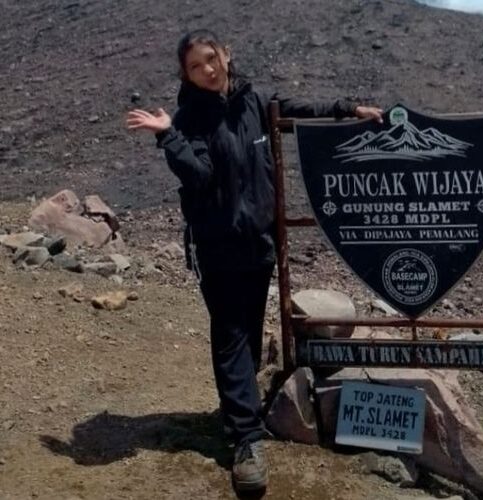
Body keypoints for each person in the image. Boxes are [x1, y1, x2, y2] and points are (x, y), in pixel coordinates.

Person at [126, 29, 382, 494]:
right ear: (186, 75)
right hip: (217, 245)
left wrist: (350, 109)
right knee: (230, 335)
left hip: (259, 242)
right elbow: (199, 176)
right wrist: (169, 137)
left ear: (226, 54)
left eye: (210, 59)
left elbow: (299, 110)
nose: (206, 70)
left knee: (247, 328)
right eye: (194, 67)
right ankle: (245, 440)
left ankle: (239, 416)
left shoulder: (256, 101)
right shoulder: (188, 118)